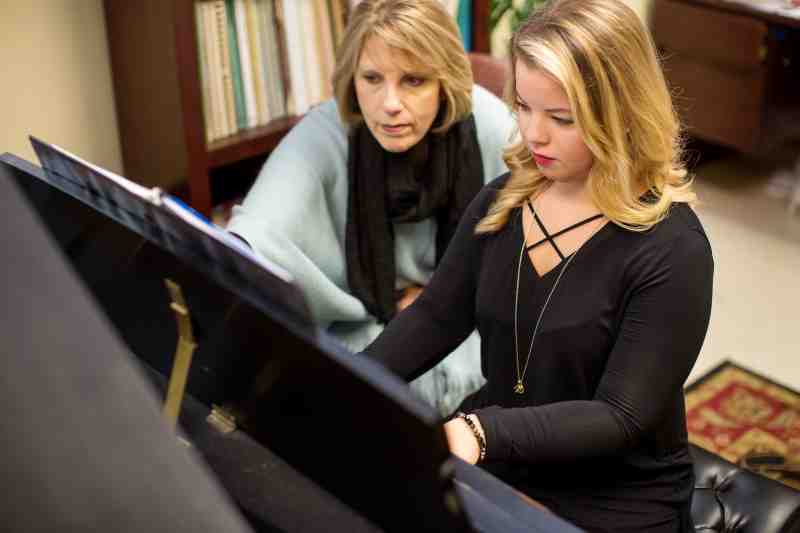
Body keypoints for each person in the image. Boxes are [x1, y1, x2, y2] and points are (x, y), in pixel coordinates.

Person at [362, 0, 714, 531]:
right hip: (506, 461)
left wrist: (482, 432)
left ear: (621, 114)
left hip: (613, 494)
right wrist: (350, 378)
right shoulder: (500, 204)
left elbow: (620, 417)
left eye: (561, 118)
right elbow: (436, 317)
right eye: (524, 107)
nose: (534, 135)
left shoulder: (673, 250)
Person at [226, 0, 515, 414]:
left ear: (445, 83)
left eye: (413, 80)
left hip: (472, 322)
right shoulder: (325, 132)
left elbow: (550, 217)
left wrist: (445, 296)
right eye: (372, 78)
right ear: (351, 80)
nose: (389, 103)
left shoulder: (487, 121)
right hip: (363, 325)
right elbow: (256, 235)